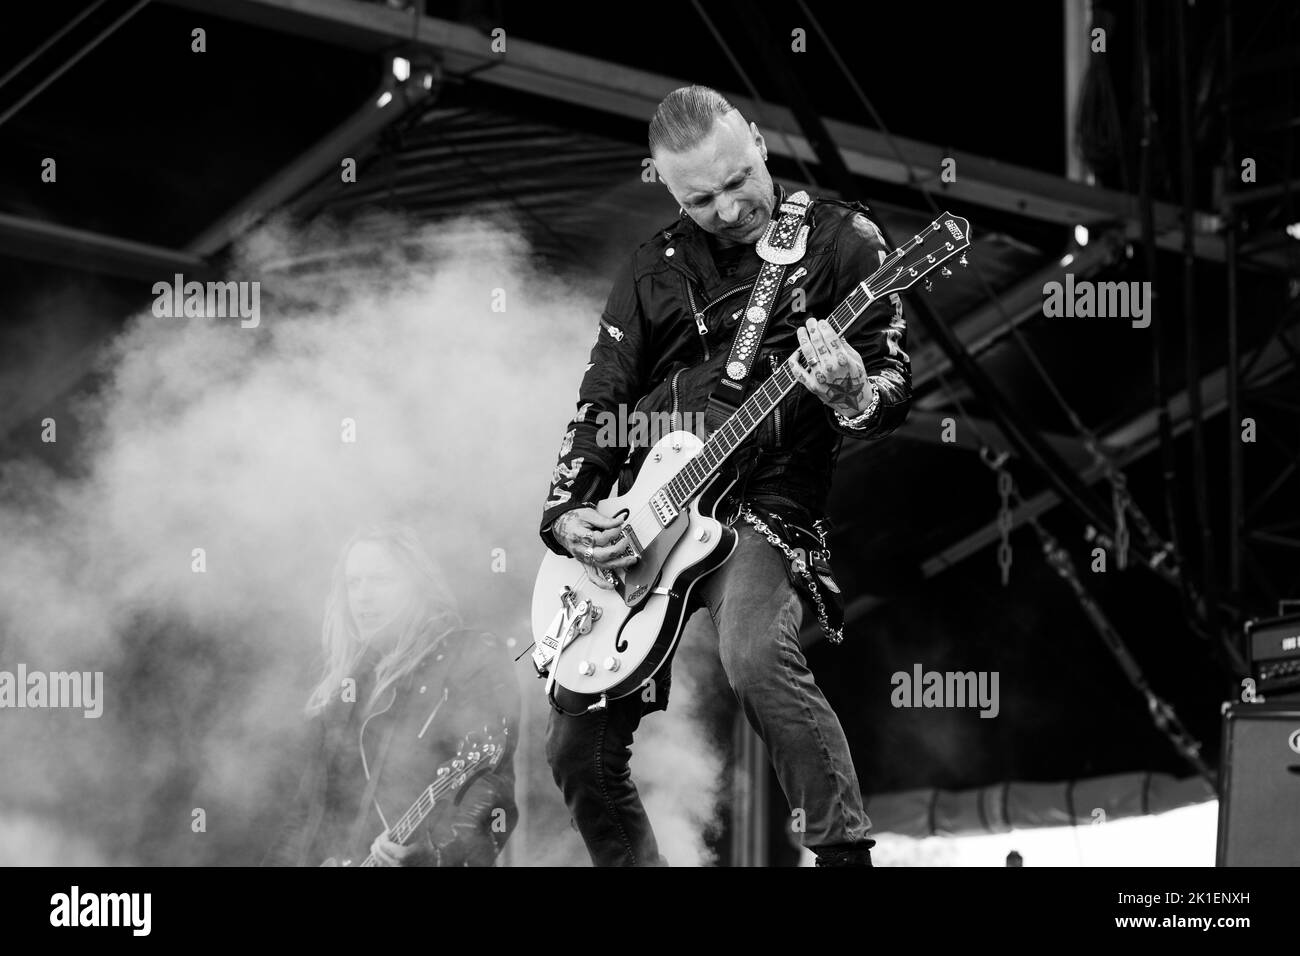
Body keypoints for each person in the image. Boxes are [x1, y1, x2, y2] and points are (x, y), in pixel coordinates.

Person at [538, 86, 911, 867]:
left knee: (754, 658)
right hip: (648, 510)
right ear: (667, 188)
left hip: (766, 499)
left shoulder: (845, 243)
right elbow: (600, 400)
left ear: (759, 144)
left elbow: (886, 390)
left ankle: (844, 857)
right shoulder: (650, 270)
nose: (730, 208)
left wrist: (853, 393)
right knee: (573, 742)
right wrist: (570, 514)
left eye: (738, 180)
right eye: (700, 197)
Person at [264, 524, 519, 867]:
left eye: (380, 580)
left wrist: (436, 854)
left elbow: (489, 791)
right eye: (353, 583)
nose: (363, 596)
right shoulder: (345, 691)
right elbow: (307, 817)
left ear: (419, 586)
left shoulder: (469, 655)